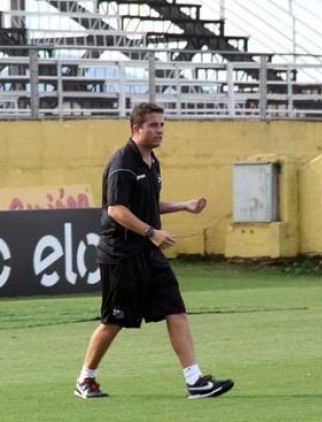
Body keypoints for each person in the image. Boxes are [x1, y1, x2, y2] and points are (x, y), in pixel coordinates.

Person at [74, 103, 234, 399]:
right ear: (137, 129)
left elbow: (148, 203)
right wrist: (152, 232)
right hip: (122, 255)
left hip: (149, 253)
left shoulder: (152, 161)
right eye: (153, 125)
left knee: (176, 310)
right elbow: (117, 209)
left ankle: (194, 380)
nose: (160, 130)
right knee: (113, 321)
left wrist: (183, 205)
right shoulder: (123, 163)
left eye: (162, 125)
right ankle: (85, 379)